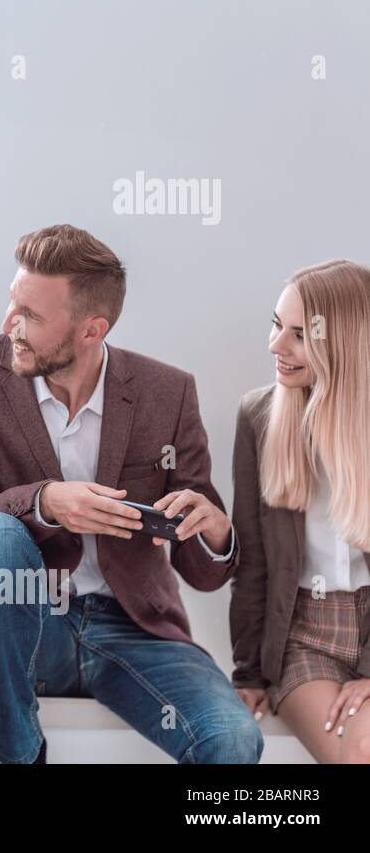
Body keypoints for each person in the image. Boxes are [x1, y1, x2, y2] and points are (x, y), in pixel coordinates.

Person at [0, 223, 262, 764]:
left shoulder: (168, 393)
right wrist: (46, 502)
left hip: (134, 629)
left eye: (31, 317)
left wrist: (214, 530)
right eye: (11, 304)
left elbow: (204, 573)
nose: (9, 326)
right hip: (28, 624)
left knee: (232, 741)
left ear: (91, 330)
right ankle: (21, 747)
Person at [231, 259, 370, 763]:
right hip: (304, 637)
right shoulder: (259, 417)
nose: (274, 347)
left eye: (296, 336)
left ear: (342, 344)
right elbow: (252, 565)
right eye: (275, 325)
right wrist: (248, 672)